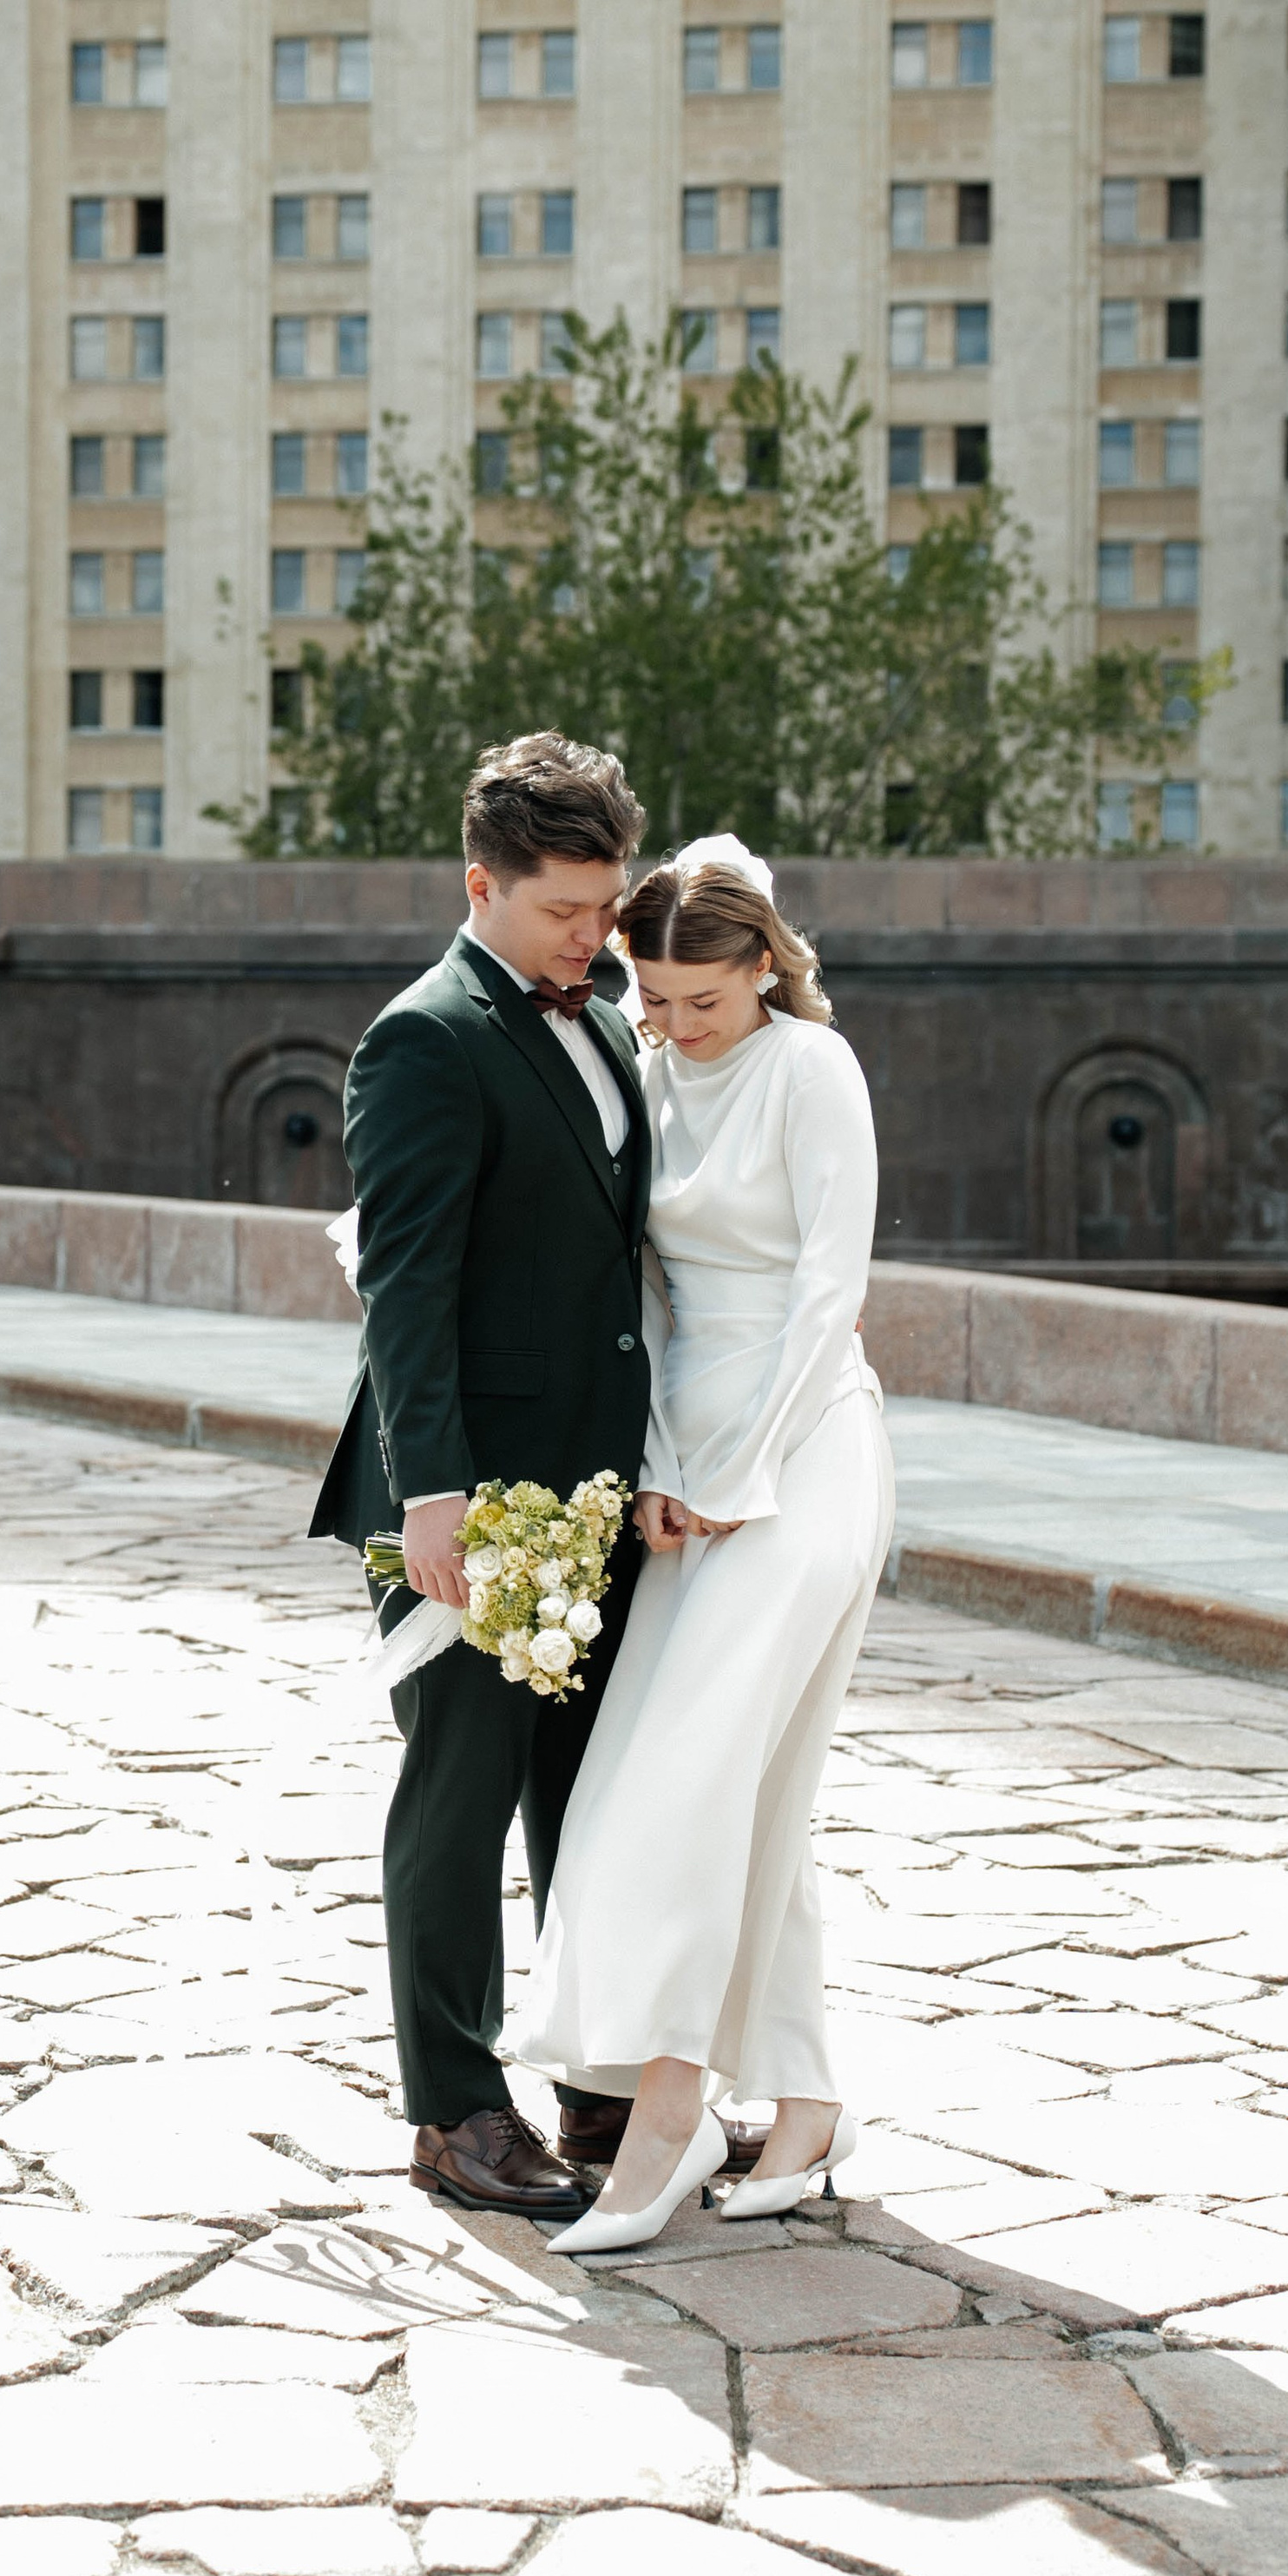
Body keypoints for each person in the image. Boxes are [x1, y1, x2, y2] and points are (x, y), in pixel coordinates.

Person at [510, 837, 896, 2252]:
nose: (671, 1027)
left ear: (763, 969)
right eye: (650, 998)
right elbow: (655, 1295)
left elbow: (829, 1291)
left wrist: (741, 1468)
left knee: (684, 1776)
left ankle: (664, 2120)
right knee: (752, 1789)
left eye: (700, 1003)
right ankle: (802, 2105)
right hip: (693, 1469)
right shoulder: (650, 1073)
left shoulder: (811, 1070)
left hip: (811, 1457)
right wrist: (670, 1467)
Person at [311, 733, 657, 2223]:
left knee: (590, 1793)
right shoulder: (423, 1038)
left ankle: (591, 2075)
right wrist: (433, 1496)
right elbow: (405, 1288)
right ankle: (455, 2111)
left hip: (601, 1478)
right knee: (457, 1800)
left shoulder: (611, 1016)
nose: (597, 936)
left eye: (606, 904)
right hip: (467, 1497)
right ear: (481, 886)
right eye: (566, 912)